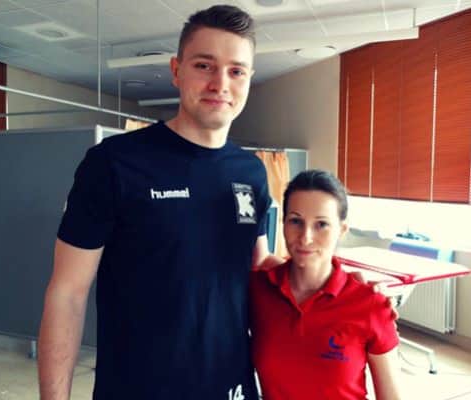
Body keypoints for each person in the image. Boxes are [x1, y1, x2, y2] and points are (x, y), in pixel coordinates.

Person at [38, 5, 281, 400]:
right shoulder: (114, 163)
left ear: (249, 79)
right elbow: (67, 294)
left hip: (232, 388)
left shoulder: (252, 172)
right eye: (204, 65)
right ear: (176, 70)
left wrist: (332, 281)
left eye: (236, 71)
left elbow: (258, 267)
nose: (220, 83)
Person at [249, 169, 402, 400]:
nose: (306, 237)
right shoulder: (258, 291)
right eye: (296, 221)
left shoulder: (370, 304)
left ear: (342, 230)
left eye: (321, 224)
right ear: (283, 224)